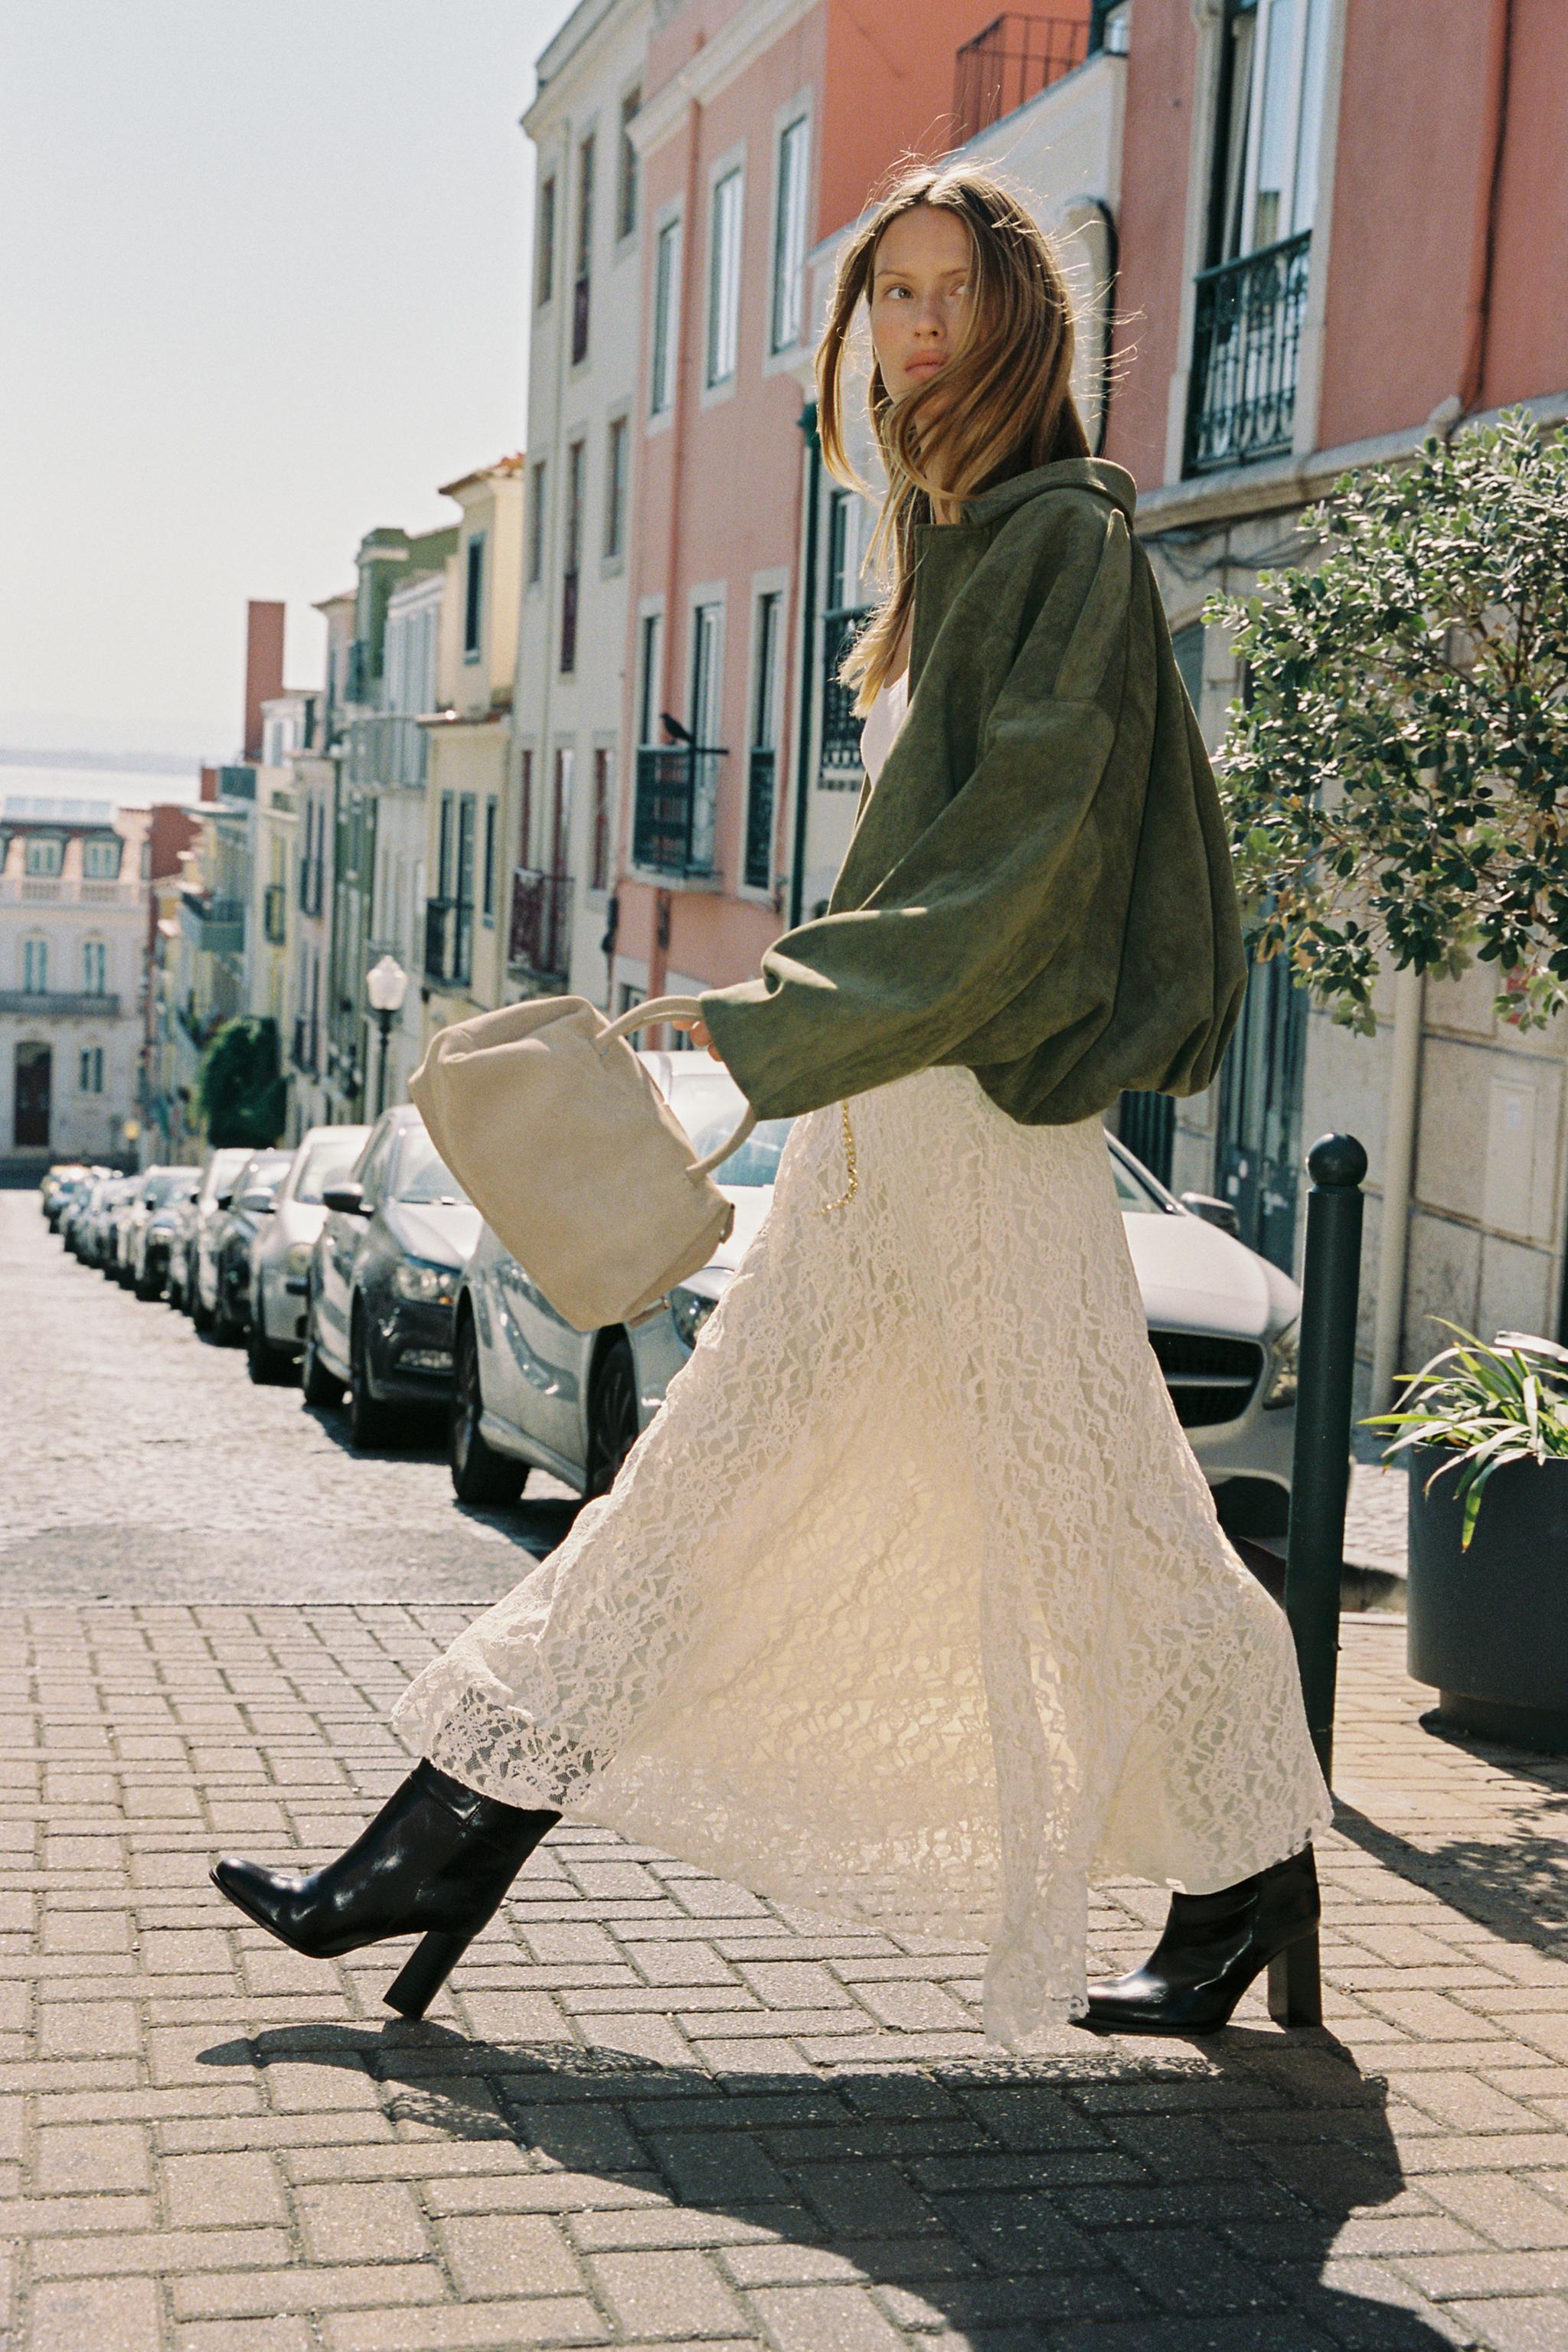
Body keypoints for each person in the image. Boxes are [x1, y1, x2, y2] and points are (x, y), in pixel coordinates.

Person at [212, 162, 1331, 2046]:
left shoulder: (1062, 543)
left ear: (1020, 322)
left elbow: (1016, 862)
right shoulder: (955, 543)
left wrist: (762, 1021)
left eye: (947, 294)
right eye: (885, 295)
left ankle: (1243, 1861)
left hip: (968, 1126)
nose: (911, 331)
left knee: (1088, 1510)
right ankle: (443, 1831)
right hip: (897, 1125)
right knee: (741, 1493)